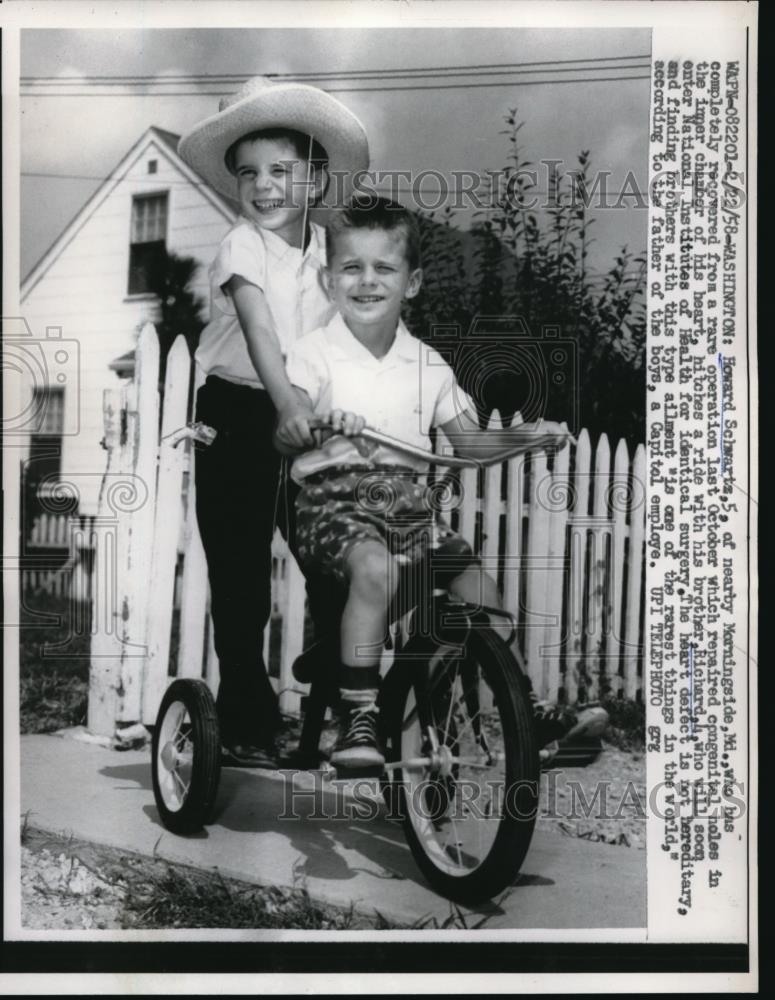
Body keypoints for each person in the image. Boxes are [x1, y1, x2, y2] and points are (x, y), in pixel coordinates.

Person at [278, 196, 608, 768]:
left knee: (480, 590)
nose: (367, 281)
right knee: (374, 567)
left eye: (385, 268)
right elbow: (284, 433)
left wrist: (529, 436)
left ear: (412, 283)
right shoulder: (314, 354)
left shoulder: (428, 365)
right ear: (330, 282)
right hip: (333, 506)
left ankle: (524, 711)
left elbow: (475, 444)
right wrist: (310, 422)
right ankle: (358, 717)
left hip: (407, 508)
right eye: (351, 268)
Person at [177, 76, 369, 766]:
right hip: (236, 413)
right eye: (248, 174)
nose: (263, 186)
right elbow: (260, 332)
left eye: (281, 171)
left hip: (302, 416)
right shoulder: (242, 246)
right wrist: (287, 405)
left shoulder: (328, 254)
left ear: (315, 180)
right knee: (241, 581)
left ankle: (346, 706)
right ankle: (248, 722)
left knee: (336, 562)